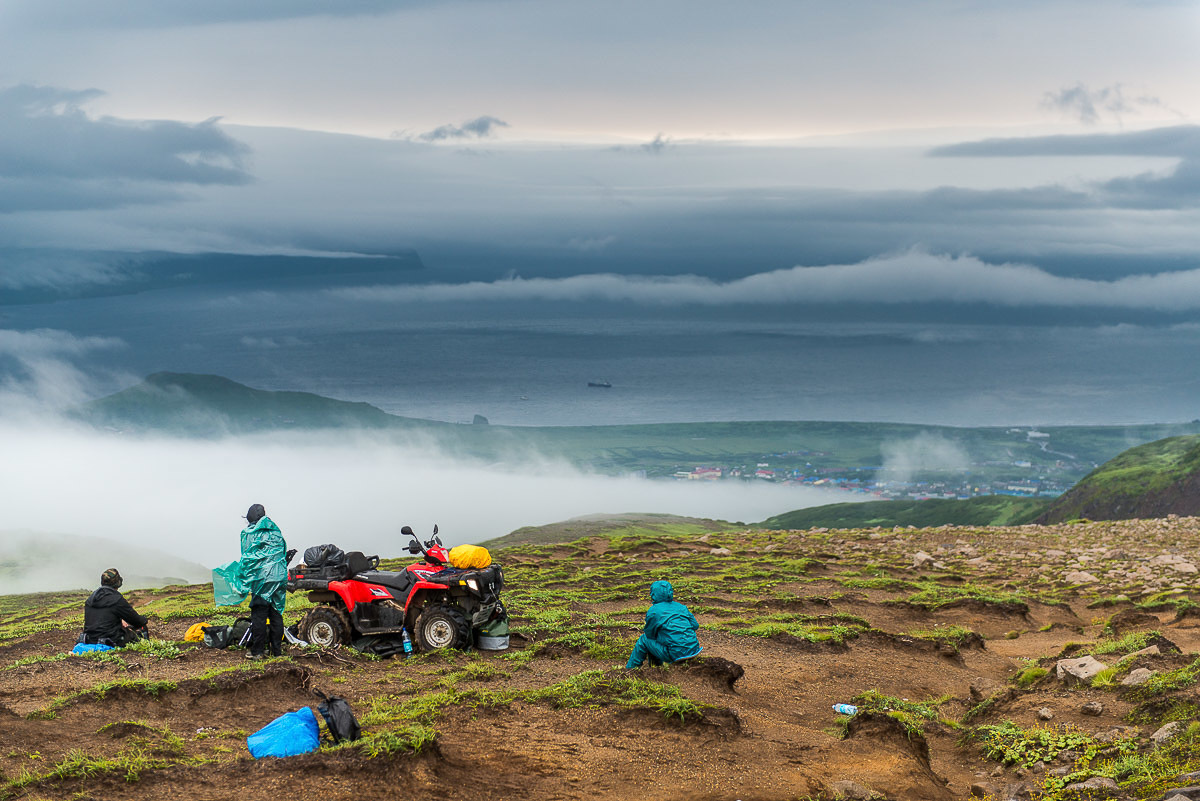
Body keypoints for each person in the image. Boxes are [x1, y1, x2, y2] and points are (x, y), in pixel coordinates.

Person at [239, 503, 288, 659]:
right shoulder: (276, 531)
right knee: (276, 614)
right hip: (279, 577)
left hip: (262, 578)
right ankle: (277, 651)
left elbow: (247, 557)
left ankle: (257, 651)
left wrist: (244, 579)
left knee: (259, 614)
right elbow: (283, 551)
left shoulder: (249, 533)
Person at [625, 580, 702, 669]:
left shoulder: (654, 610)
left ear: (654, 594)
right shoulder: (681, 607)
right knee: (660, 636)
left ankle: (631, 669)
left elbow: (650, 634)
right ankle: (656, 666)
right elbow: (695, 626)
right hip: (694, 649)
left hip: (674, 654)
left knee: (644, 639)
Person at [81, 568, 149, 647]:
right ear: (117, 583)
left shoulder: (91, 598)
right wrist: (144, 619)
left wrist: (120, 620)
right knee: (142, 628)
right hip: (111, 640)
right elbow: (138, 621)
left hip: (89, 639)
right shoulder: (116, 599)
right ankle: (145, 650)